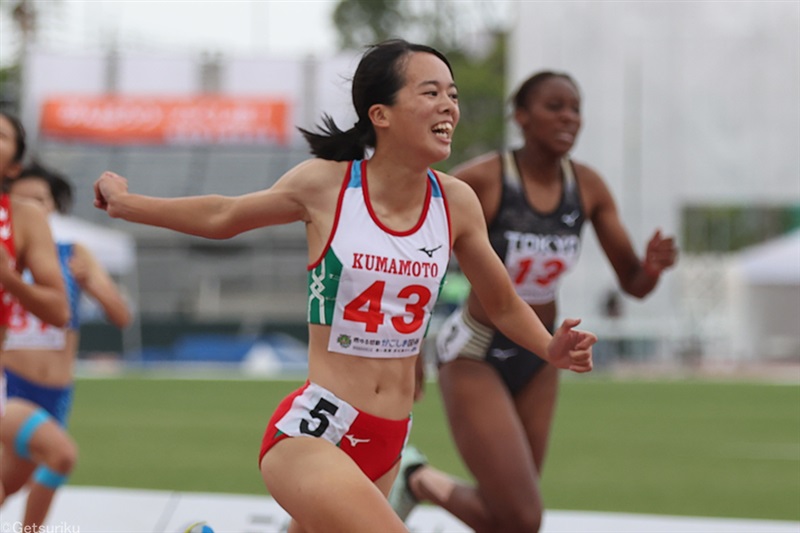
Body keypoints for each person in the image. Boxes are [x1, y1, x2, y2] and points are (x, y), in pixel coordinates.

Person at [92, 42, 596, 533]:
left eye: (454, 94)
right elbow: (224, 215)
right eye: (430, 93)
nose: (448, 106)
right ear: (381, 114)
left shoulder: (456, 203)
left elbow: (504, 302)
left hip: (390, 439)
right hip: (316, 432)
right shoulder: (326, 185)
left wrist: (550, 347)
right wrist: (127, 203)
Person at [388, 71, 678, 532]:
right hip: (475, 351)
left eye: (575, 108)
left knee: (511, 516)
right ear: (521, 117)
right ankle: (416, 478)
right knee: (523, 516)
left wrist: (654, 267)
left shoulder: (587, 187)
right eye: (554, 106)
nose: (568, 118)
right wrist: (411, 346)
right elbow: (421, 260)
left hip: (541, 353)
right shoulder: (483, 181)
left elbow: (634, 284)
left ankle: (418, 480)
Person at [1, 161, 132, 528]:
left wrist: (89, 282)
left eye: (40, 200)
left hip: (56, 393)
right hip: (10, 386)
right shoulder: (4, 253)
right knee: (60, 456)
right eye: (21, 199)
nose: (31, 208)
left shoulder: (73, 254)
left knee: (11, 485)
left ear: (53, 207)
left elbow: (122, 317)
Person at [0, 111, 71, 507]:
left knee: (58, 456)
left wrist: (8, 277)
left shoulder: (23, 218)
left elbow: (59, 310)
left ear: (13, 165)